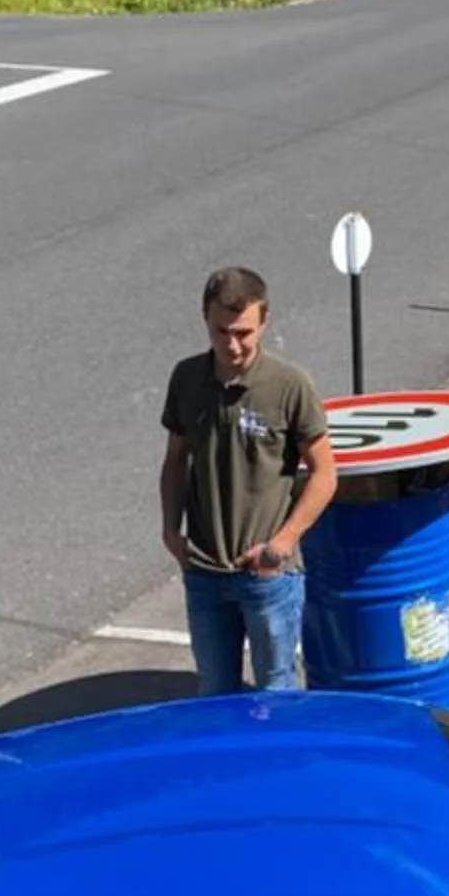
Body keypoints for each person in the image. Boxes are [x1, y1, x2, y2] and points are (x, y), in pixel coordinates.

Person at [160, 264, 336, 695]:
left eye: (244, 332)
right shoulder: (187, 379)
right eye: (222, 332)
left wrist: (281, 544)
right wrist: (170, 531)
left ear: (264, 323)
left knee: (276, 690)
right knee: (215, 692)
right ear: (205, 318)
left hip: (267, 575)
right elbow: (175, 460)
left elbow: (324, 473)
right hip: (204, 571)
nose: (233, 345)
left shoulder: (289, 386)